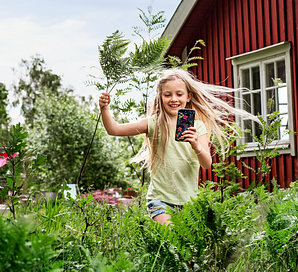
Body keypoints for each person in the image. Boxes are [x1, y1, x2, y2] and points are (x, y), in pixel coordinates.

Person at [99, 68, 253, 225]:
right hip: (160, 200)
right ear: (160, 97)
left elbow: (207, 164)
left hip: (188, 202)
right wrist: (104, 109)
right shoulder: (154, 123)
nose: (174, 99)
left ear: (188, 96)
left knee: (183, 246)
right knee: (170, 238)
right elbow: (114, 130)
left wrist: (196, 146)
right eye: (168, 94)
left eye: (179, 94)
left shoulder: (197, 126)